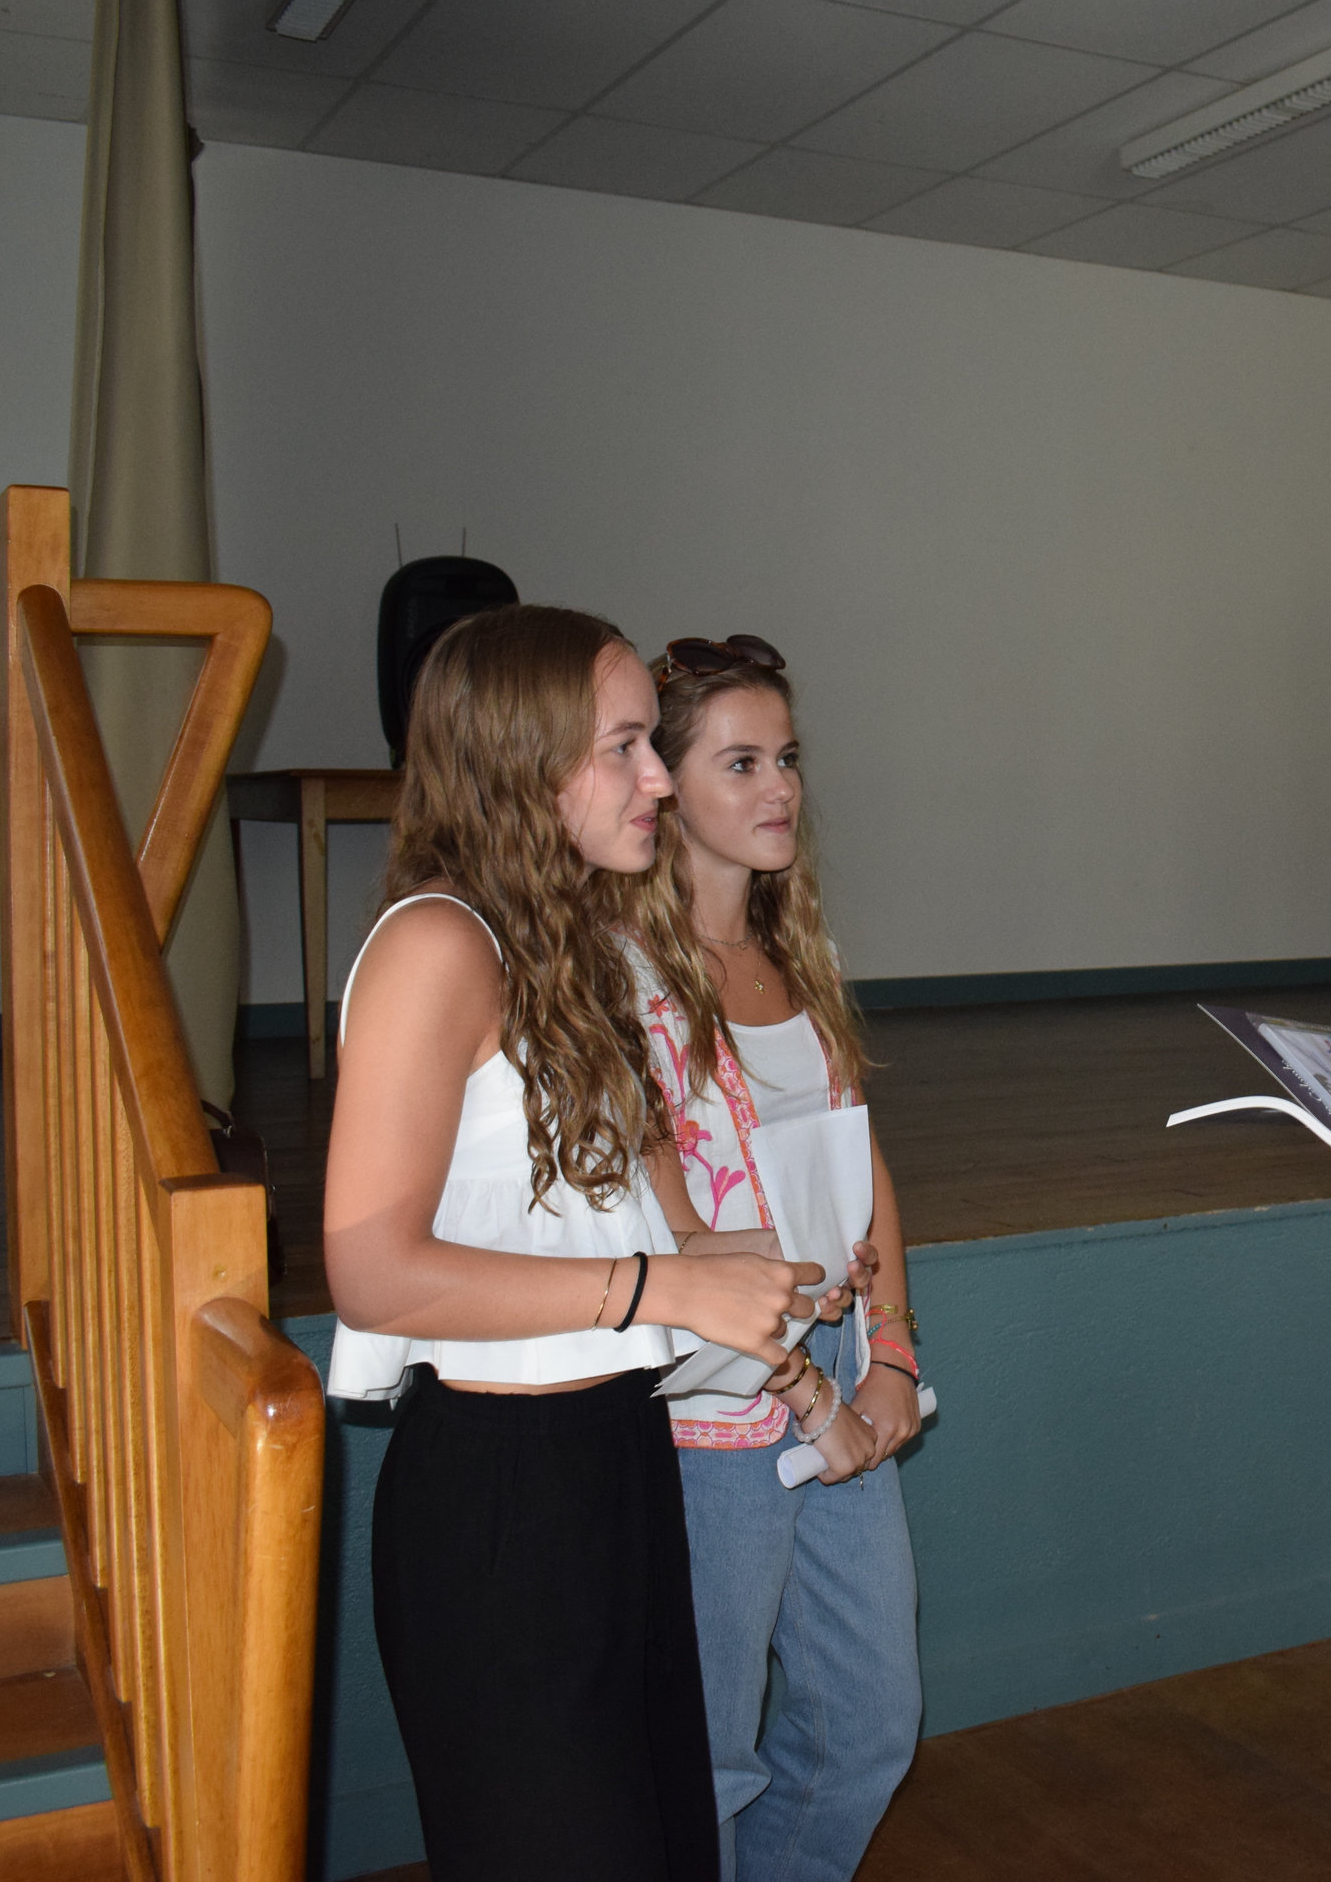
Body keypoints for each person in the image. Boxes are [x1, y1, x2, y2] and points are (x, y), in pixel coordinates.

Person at [322, 605, 824, 1882]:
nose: (657, 776)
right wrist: (667, 1281)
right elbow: (371, 1270)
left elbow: (604, 1201)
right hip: (500, 1498)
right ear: (519, 762)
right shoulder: (435, 945)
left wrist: (731, 1255)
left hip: (614, 1459)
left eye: (653, 744)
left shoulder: (578, 943)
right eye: (626, 746)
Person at [631, 633, 924, 1882]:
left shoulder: (797, 953)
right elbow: (676, 1228)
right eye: (740, 760)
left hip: (840, 1369)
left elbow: (867, 1166)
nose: (780, 787)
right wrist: (815, 1396)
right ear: (666, 785)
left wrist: (894, 1352)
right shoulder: (625, 982)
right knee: (709, 1755)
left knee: (867, 1720)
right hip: (721, 1410)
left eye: (787, 757)